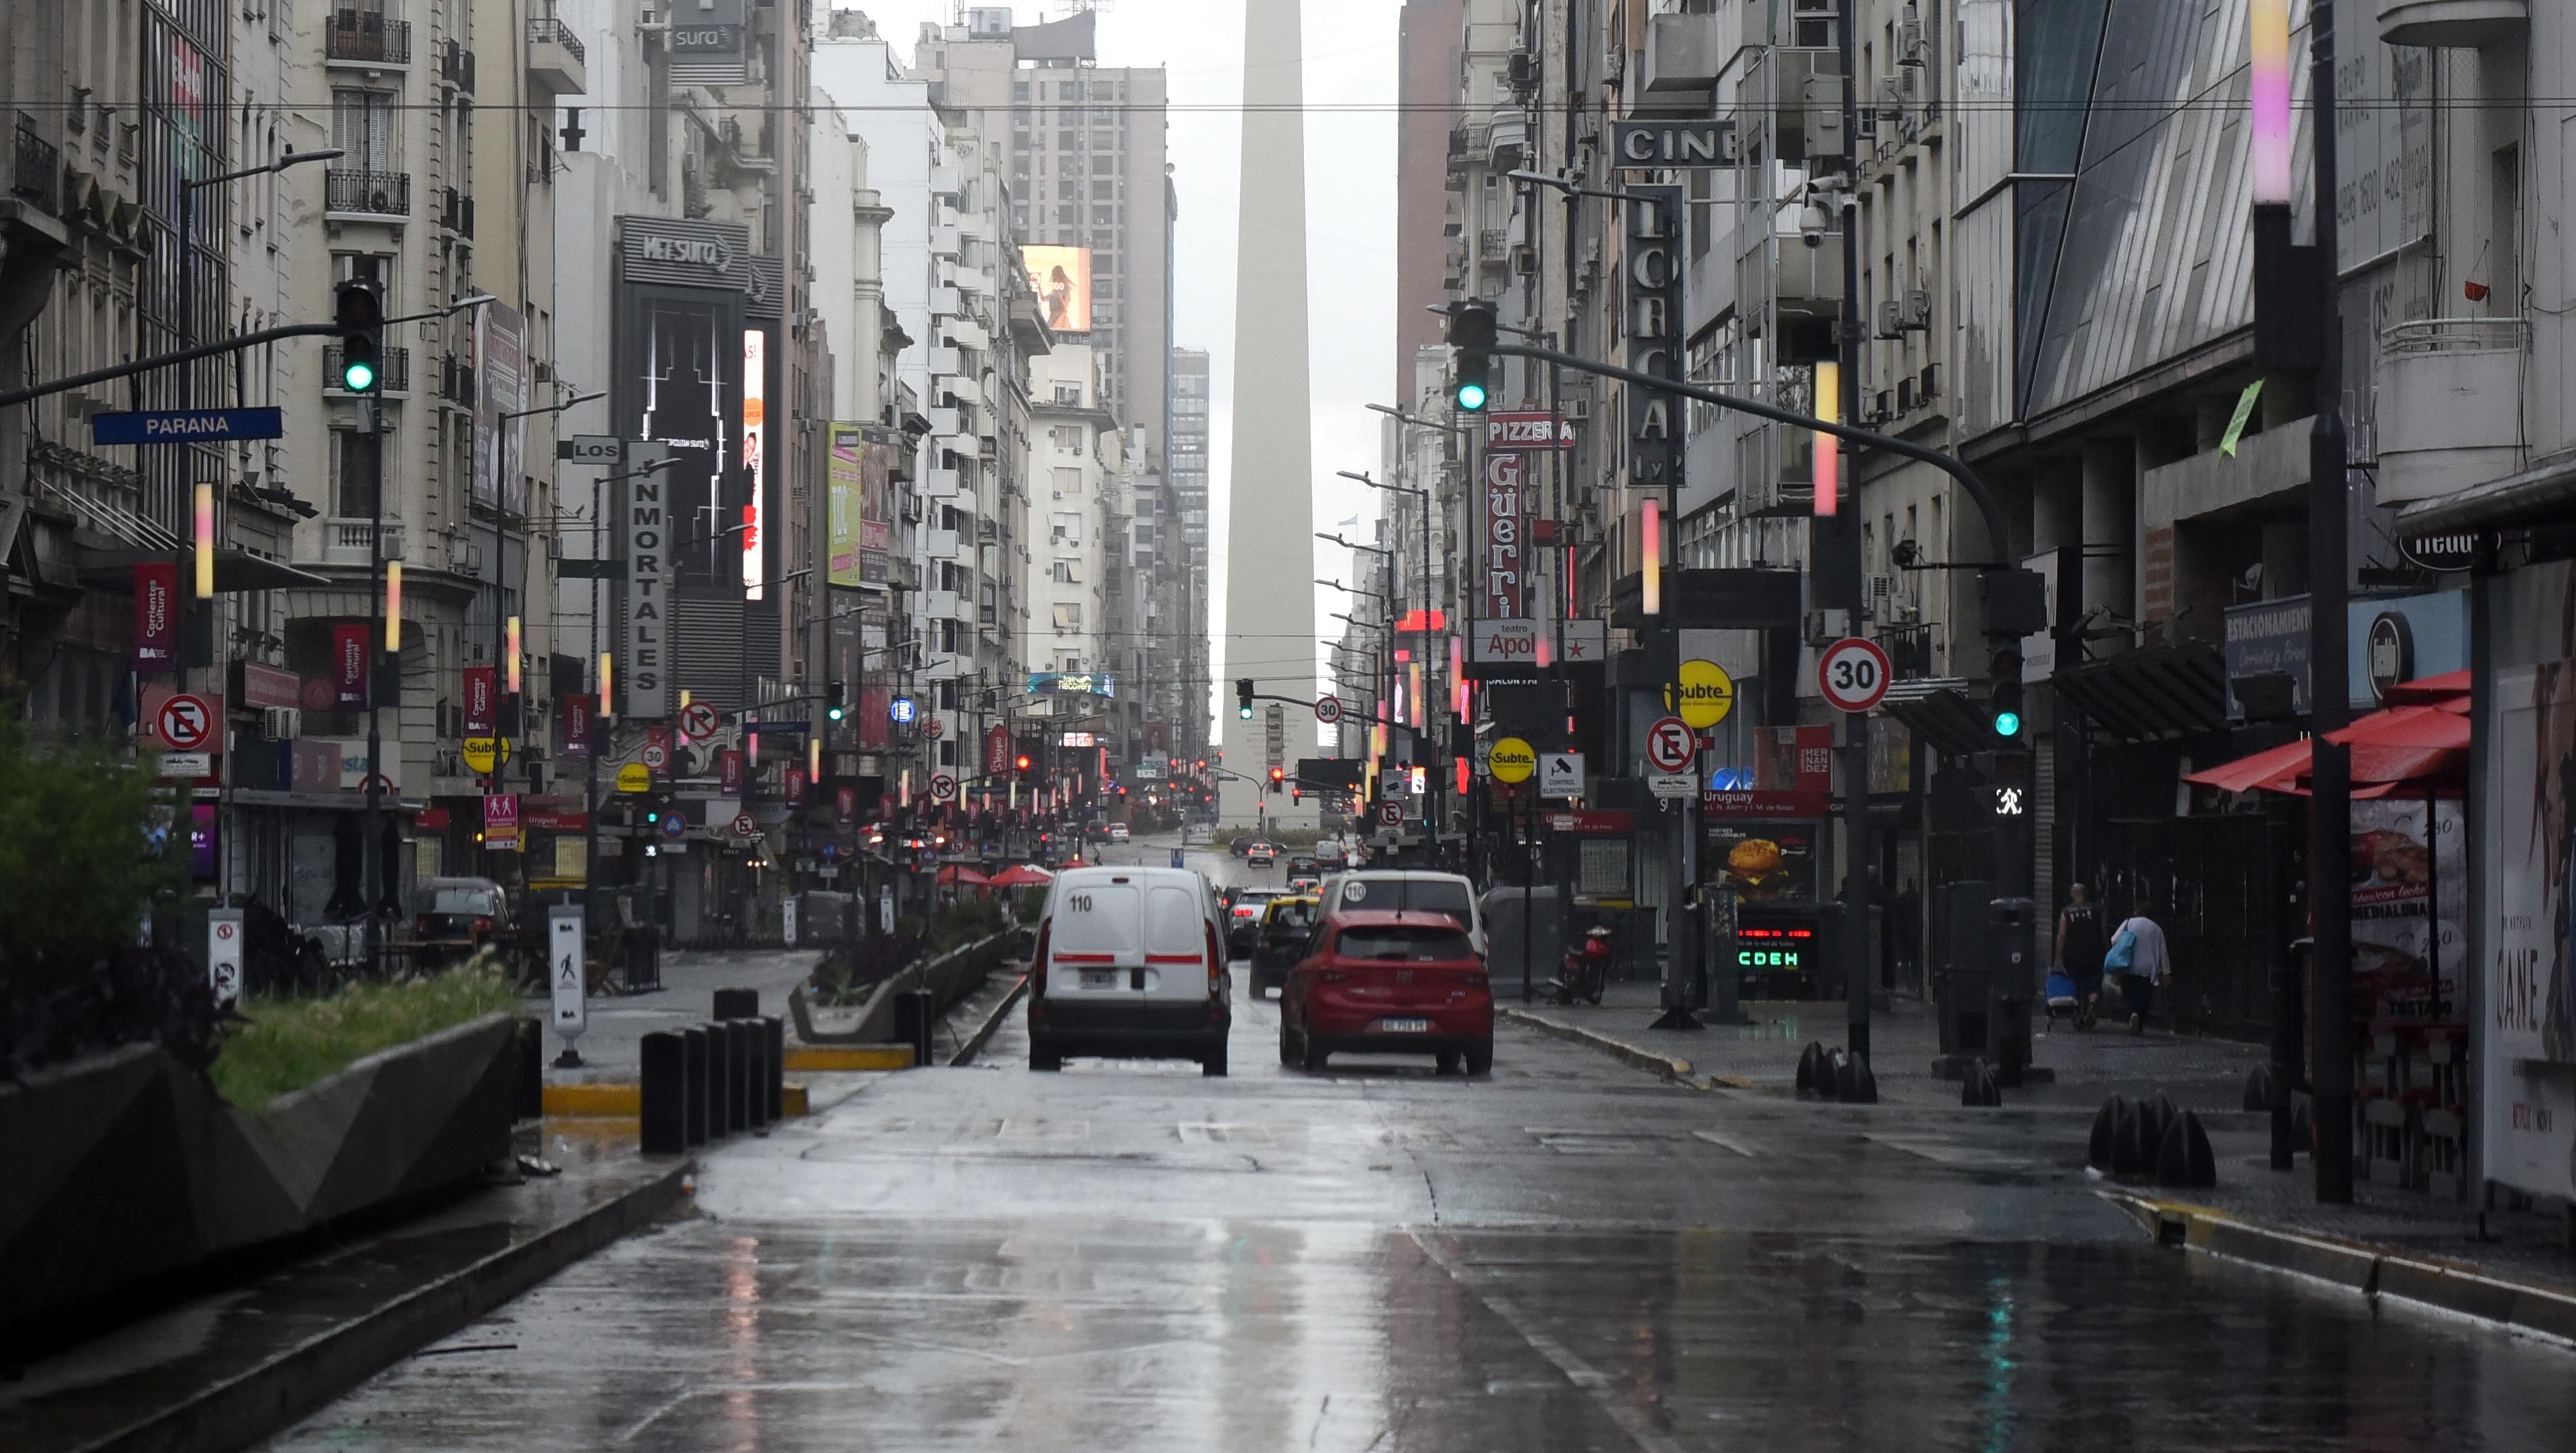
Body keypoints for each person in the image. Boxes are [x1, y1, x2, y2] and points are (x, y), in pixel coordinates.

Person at [2106, 906, 2170, 1035]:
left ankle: (2133, 1013)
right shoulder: (2157, 929)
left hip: (2129, 965)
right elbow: (2163, 952)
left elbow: (2114, 940)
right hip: (2148, 968)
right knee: (2145, 996)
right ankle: (2140, 1022)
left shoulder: (2129, 923)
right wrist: (2167, 972)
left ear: (2138, 912)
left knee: (2129, 994)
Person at [2055, 882, 2108, 1022]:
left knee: (2075, 985)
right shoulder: (2098, 910)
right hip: (2094, 954)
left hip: (2073, 956)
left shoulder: (2067, 912)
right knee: (2094, 984)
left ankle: (2078, 1014)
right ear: (2087, 894)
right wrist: (2107, 951)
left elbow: (2062, 935)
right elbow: (2104, 933)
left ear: (2073, 895)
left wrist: (2059, 957)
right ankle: (2091, 1004)